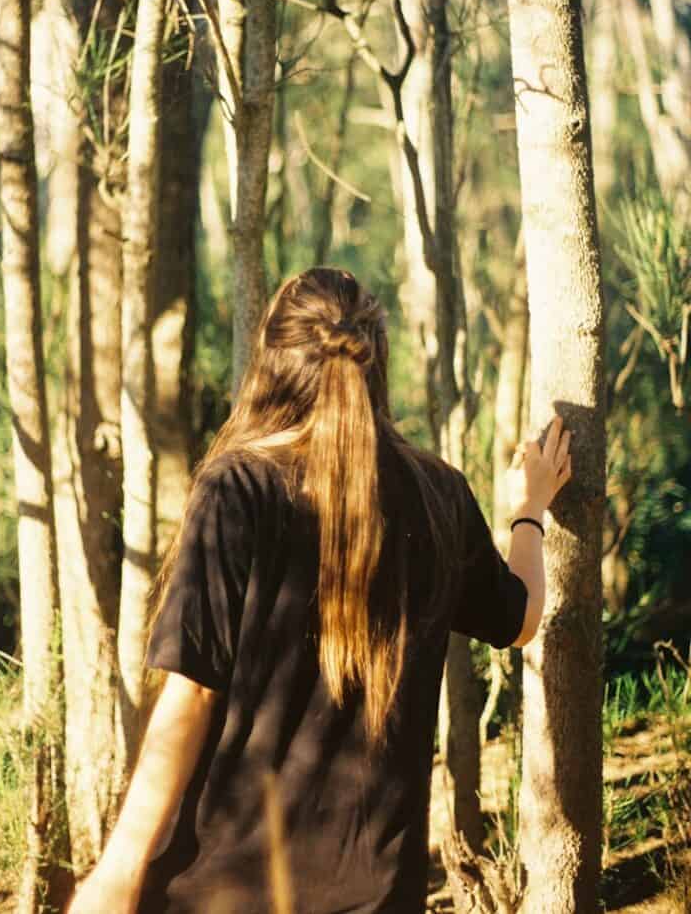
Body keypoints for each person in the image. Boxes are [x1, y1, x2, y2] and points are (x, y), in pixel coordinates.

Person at [67, 267, 571, 914]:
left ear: (273, 360)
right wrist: (530, 510)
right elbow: (521, 619)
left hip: (227, 891)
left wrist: (115, 874)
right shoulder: (438, 493)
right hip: (381, 895)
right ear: (378, 360)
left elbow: (190, 692)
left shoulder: (236, 488)